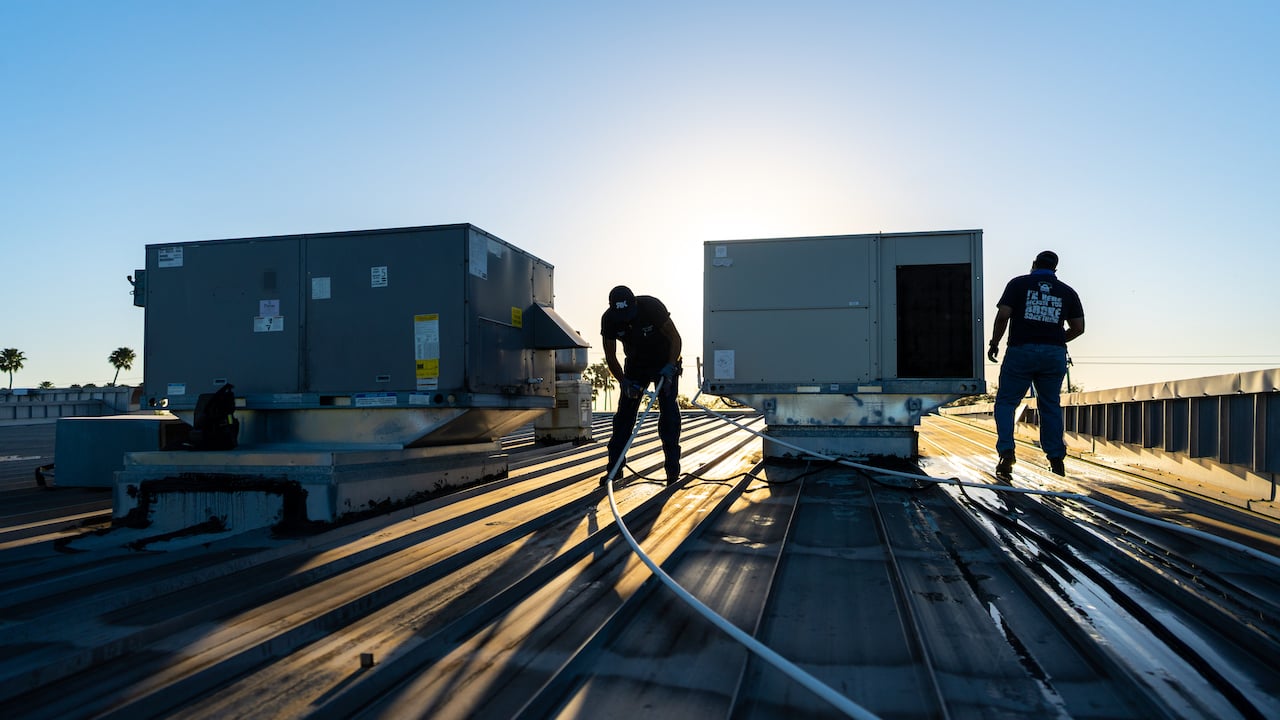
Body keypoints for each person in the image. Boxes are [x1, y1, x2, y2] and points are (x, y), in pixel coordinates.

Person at [987, 250, 1085, 477]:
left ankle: (1006, 453)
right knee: (1049, 405)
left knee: (1006, 403)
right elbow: (1079, 328)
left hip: (1021, 350)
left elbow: (1003, 315)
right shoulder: (1067, 292)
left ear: (1033, 264)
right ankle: (1056, 458)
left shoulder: (1018, 284)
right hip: (1053, 355)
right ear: (1055, 269)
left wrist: (994, 343)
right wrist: (1057, 339)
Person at [600, 285, 683, 484]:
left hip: (664, 362)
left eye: (629, 313)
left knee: (669, 413)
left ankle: (672, 471)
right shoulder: (609, 319)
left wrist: (671, 367)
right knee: (623, 417)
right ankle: (615, 469)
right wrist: (624, 382)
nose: (626, 319)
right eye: (622, 315)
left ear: (634, 304)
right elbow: (610, 356)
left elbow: (675, 338)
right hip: (636, 366)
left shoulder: (651, 307)